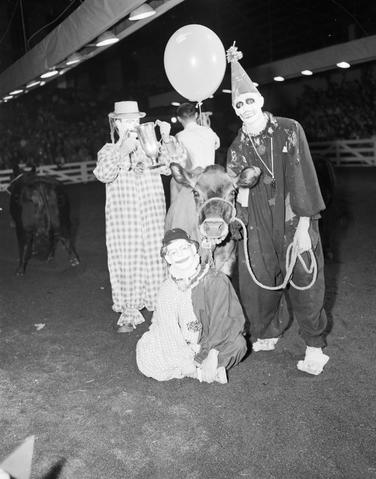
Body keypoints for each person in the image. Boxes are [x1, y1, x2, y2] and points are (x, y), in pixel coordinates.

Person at [225, 45, 329, 375]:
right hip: (257, 221)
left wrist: (303, 227)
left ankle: (314, 345)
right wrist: (238, 222)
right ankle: (268, 330)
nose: (244, 108)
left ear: (260, 100)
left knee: (305, 278)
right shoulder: (237, 147)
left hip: (292, 215)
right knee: (257, 277)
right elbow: (239, 191)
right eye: (238, 104)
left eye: (248, 101)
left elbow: (302, 178)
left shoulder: (288, 129)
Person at [94, 100, 177, 333]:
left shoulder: (150, 146)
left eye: (135, 120)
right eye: (126, 121)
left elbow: (171, 165)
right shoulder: (108, 150)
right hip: (124, 222)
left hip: (152, 216)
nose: (132, 124)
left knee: (157, 260)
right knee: (126, 262)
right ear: (117, 124)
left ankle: (161, 309)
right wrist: (123, 149)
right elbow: (103, 174)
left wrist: (167, 138)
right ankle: (129, 312)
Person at [136, 228, 247, 383]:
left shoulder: (215, 279)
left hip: (209, 341)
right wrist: (185, 361)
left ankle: (207, 365)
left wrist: (212, 352)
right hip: (182, 343)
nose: (180, 254)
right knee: (146, 352)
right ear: (168, 258)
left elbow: (225, 319)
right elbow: (168, 331)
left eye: (184, 248)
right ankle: (203, 373)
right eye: (173, 252)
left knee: (238, 344)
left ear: (194, 249)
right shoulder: (167, 289)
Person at [164, 103, 220, 240]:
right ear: (196, 115)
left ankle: (175, 232)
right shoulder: (209, 132)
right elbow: (217, 145)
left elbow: (179, 159)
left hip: (191, 182)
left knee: (177, 214)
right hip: (211, 180)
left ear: (179, 118)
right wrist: (206, 127)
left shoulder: (179, 136)